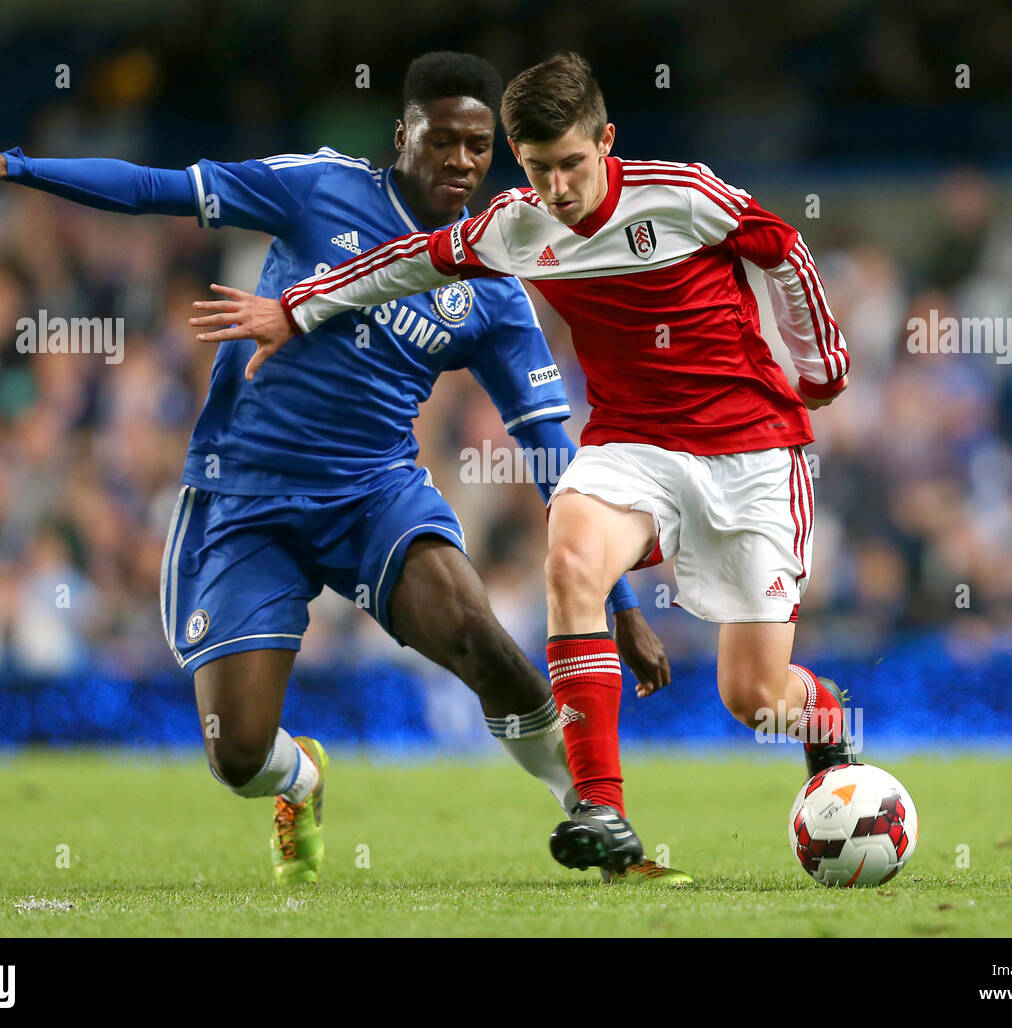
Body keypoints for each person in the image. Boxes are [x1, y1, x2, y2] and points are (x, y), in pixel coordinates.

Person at [0, 51, 689, 885]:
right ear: (402, 135)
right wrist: (17, 167)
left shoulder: (492, 280)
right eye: (444, 141)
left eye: (479, 146)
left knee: (480, 635)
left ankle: (604, 826)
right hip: (244, 500)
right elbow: (155, 187)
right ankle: (300, 778)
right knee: (237, 755)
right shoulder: (315, 189)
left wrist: (622, 600)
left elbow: (550, 453)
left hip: (372, 496)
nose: (462, 162)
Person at [188, 52, 856, 876]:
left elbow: (782, 246)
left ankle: (823, 721)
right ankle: (602, 809)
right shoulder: (517, 223)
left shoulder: (683, 195)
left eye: (573, 164)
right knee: (570, 555)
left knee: (754, 699)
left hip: (749, 449)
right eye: (539, 169)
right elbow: (407, 261)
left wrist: (820, 363)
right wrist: (297, 308)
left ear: (606, 142)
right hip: (631, 447)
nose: (559, 189)